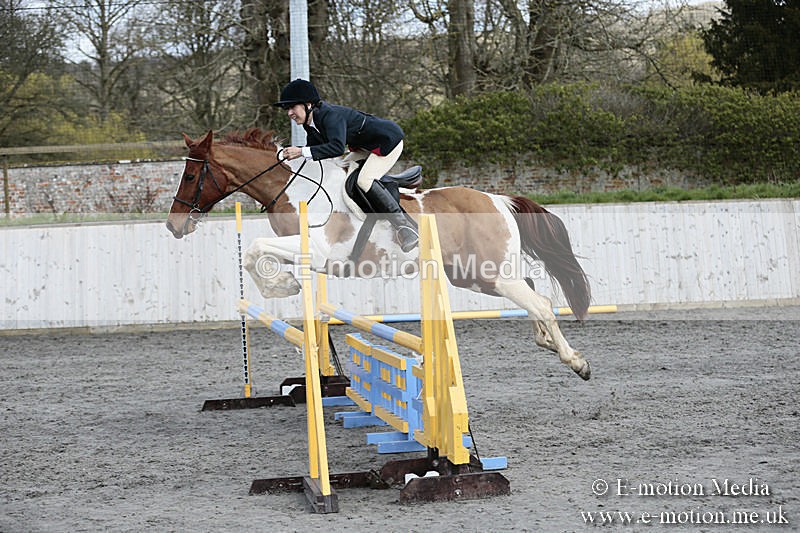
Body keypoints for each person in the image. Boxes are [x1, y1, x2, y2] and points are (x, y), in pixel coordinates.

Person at [274, 78, 418, 252]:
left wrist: (301, 151)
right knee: (338, 168)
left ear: (308, 104)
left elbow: (335, 147)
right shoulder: (310, 125)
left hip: (387, 142)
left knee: (364, 180)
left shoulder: (330, 116)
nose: (289, 113)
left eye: (292, 107)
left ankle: (406, 228)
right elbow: (318, 155)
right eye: (287, 109)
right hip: (365, 146)